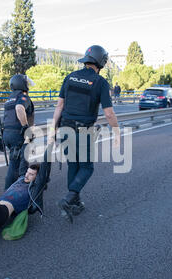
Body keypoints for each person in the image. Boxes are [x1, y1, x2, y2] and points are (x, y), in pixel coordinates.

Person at [51, 45, 120, 222]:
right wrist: (117, 131)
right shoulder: (100, 82)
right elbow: (109, 113)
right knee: (87, 167)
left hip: (65, 127)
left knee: (73, 165)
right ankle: (70, 197)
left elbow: (59, 106)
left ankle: (75, 202)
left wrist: (53, 130)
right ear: (101, 61)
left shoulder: (69, 77)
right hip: (84, 130)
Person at [2, 74, 35, 189]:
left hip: (7, 134)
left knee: (21, 160)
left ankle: (24, 184)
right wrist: (26, 127)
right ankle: (9, 192)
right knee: (16, 165)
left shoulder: (10, 99)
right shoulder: (22, 97)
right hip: (18, 134)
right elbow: (19, 108)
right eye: (26, 82)